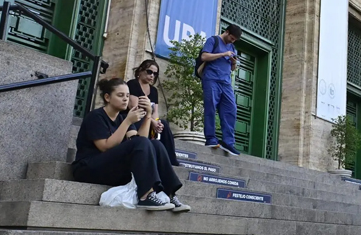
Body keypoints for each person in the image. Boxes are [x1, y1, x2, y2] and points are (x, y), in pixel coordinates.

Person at [72, 78, 190, 212]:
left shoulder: (122, 118)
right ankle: (145, 196)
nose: (125, 99)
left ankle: (170, 194)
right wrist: (128, 122)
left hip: (111, 168)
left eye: (127, 96)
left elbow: (141, 141)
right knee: (142, 143)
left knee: (155, 144)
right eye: (120, 95)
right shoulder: (96, 116)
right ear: (107, 97)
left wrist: (148, 116)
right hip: (88, 168)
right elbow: (105, 146)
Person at [123, 59, 180, 166]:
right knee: (140, 120)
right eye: (149, 72)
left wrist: (157, 123)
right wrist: (152, 122)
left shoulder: (154, 90)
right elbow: (134, 108)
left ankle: (171, 160)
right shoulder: (133, 84)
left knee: (164, 125)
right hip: (133, 120)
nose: (152, 75)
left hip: (149, 121)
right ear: (140, 70)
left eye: (155, 73)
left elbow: (155, 112)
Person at [200, 24, 242, 156]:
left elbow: (232, 68)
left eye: (235, 40)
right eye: (232, 38)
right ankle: (211, 138)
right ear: (227, 32)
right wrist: (223, 53)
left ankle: (228, 142)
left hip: (225, 82)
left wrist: (233, 62)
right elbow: (204, 57)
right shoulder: (214, 40)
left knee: (231, 109)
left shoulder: (232, 46)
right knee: (211, 107)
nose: (232, 41)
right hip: (211, 79)